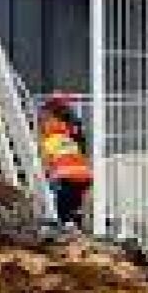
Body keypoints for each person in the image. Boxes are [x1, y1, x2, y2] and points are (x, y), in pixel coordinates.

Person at [39, 92, 92, 228]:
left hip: (65, 177)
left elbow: (46, 163)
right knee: (73, 209)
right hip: (83, 175)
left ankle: (66, 225)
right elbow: (81, 149)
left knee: (62, 212)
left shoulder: (50, 140)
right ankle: (74, 222)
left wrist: (46, 173)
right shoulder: (69, 135)